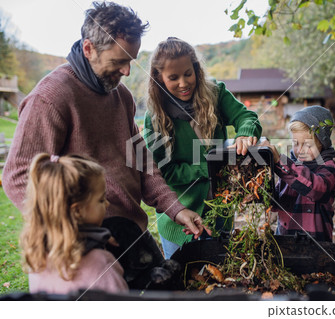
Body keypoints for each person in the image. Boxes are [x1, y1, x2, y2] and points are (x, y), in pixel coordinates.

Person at [2, 2, 207, 289]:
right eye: (118, 62)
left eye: (131, 61)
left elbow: (141, 160)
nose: (126, 71)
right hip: (84, 245)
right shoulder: (51, 98)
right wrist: (74, 232)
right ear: (88, 49)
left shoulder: (121, 97)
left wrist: (174, 207)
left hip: (130, 231)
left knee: (170, 293)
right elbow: (18, 175)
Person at [144, 37, 262, 258]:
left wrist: (245, 132)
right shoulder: (155, 118)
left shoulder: (215, 93)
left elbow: (246, 116)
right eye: (173, 77)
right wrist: (209, 167)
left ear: (196, 69)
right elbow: (164, 171)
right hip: (179, 220)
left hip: (220, 212)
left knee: (219, 277)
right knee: (184, 283)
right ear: (159, 78)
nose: (183, 83)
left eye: (188, 73)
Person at [21, 153, 128, 294]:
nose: (107, 204)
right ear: (77, 210)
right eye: (101, 200)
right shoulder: (101, 263)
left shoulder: (37, 260)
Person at [261, 105, 335, 241]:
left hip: (315, 246)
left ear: (322, 143)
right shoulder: (289, 168)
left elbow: (316, 188)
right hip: (285, 242)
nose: (300, 150)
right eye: (295, 143)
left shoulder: (329, 169)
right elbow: (277, 203)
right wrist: (260, 187)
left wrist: (280, 162)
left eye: (307, 145)